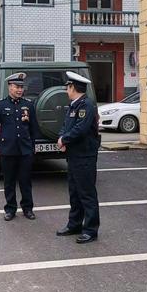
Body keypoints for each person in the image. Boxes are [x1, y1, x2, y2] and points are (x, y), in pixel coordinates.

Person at [56, 71, 100, 244]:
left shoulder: (86, 105)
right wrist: (61, 138)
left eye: (68, 87)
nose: (67, 90)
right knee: (74, 192)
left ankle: (90, 230)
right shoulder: (74, 105)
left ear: (73, 87)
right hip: (74, 156)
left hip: (85, 156)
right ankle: (74, 224)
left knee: (87, 194)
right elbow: (66, 126)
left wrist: (64, 139)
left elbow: (80, 129)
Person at [0, 72, 39, 221]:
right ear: (9, 87)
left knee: (25, 181)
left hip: (25, 150)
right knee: (9, 181)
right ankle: (10, 209)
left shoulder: (28, 105)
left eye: (21, 87)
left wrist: (33, 146)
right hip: (8, 149)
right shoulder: (0, 105)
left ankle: (28, 208)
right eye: (17, 87)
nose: (19, 90)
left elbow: (34, 128)